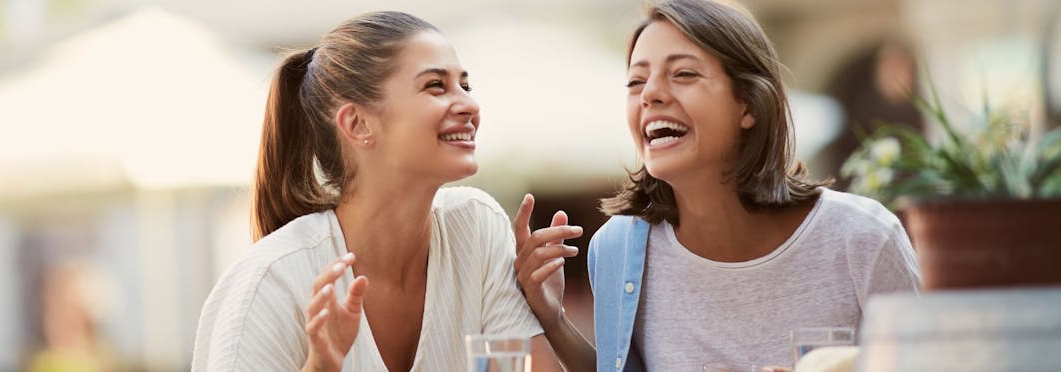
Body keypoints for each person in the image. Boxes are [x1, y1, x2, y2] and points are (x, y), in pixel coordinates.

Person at [513, 1, 922, 371]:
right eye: (637, 82)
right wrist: (554, 319)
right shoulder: (618, 250)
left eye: (683, 74)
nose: (651, 94)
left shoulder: (863, 238)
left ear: (748, 104)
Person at [191, 11, 548, 372]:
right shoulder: (270, 284)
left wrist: (553, 316)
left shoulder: (476, 229)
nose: (471, 106)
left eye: (465, 86)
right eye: (435, 86)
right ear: (358, 123)